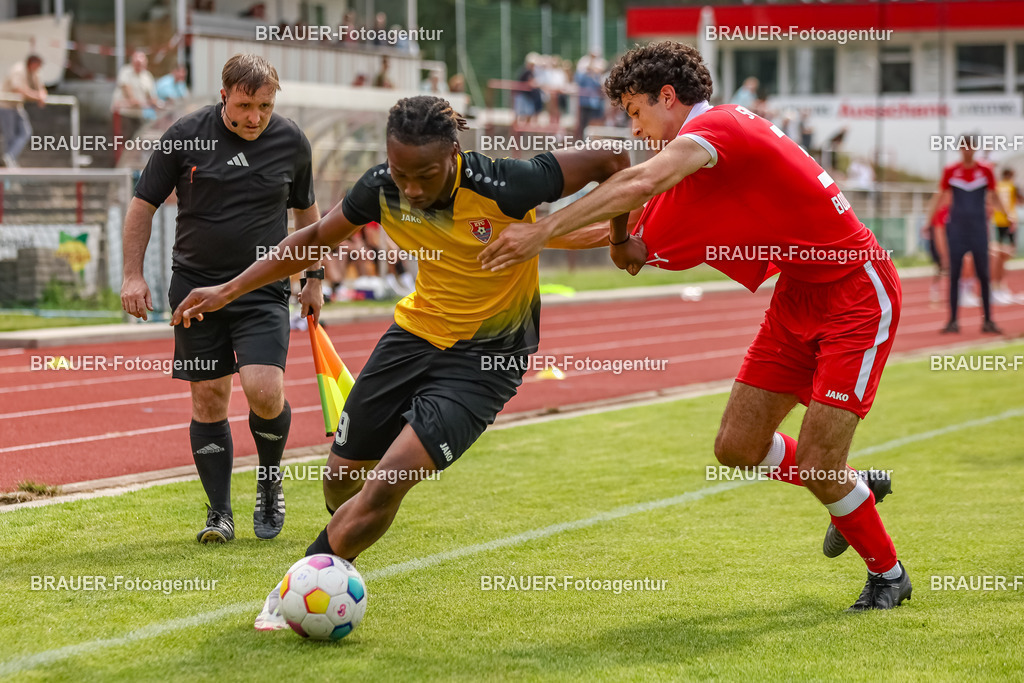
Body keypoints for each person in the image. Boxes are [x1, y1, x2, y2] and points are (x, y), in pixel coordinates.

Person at [479, 41, 911, 611]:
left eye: (635, 113)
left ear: (667, 97)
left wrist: (538, 233)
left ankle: (889, 574)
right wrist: (510, 237)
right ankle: (853, 490)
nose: (634, 132)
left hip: (857, 293)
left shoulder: (720, 129)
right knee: (736, 447)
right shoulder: (698, 164)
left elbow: (634, 187)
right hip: (798, 296)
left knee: (817, 463)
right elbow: (629, 226)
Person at [170, 95, 629, 629]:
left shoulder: (511, 183)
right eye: (400, 172)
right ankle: (350, 528)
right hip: (412, 337)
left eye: (425, 174)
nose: (411, 188)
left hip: (487, 358)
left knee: (389, 480)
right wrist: (228, 290)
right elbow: (315, 237)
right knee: (340, 481)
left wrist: (619, 239)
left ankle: (292, 591)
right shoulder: (380, 187)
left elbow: (614, 162)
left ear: (455, 155)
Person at [121, 53, 323, 543]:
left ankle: (270, 478)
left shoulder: (291, 139)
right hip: (194, 290)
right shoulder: (185, 134)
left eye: (266, 106)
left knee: (264, 390)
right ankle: (219, 513)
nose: (256, 117)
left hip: (262, 290)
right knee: (209, 398)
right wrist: (132, 276)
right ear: (224, 96)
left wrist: (314, 276)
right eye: (246, 104)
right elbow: (142, 205)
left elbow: (309, 215)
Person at [926, 135, 1009, 334]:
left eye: (971, 147)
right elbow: (940, 196)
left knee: (984, 275)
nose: (967, 150)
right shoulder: (951, 171)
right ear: (960, 149)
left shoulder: (986, 170)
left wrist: (1007, 215)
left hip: (979, 230)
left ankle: (988, 320)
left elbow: (995, 194)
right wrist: (929, 221)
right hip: (957, 230)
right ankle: (952, 321)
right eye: (964, 147)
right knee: (954, 275)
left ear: (975, 148)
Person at [0, 54, 46, 168]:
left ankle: (9, 157)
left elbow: (41, 87)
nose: (38, 68)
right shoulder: (18, 70)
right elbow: (18, 90)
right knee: (9, 136)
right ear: (32, 63)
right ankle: (8, 162)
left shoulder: (33, 72)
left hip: (17, 106)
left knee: (26, 131)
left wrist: (42, 95)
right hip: (5, 105)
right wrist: (37, 97)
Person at [112, 51, 161, 140]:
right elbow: (128, 93)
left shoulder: (147, 76)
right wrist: (144, 103)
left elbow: (152, 97)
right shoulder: (125, 72)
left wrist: (155, 104)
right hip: (124, 113)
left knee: (138, 140)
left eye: (141, 64)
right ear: (132, 63)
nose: (138, 66)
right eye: (137, 63)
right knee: (124, 141)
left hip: (139, 113)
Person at [990, 168, 1021, 304]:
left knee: (1000, 254)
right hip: (1008, 221)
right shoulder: (1012, 186)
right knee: (1004, 255)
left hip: (998, 222)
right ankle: (997, 287)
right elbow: (1020, 200)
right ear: (1010, 175)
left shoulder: (997, 185)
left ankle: (999, 287)